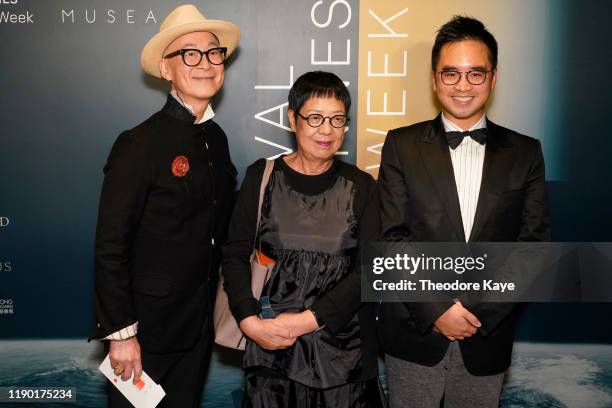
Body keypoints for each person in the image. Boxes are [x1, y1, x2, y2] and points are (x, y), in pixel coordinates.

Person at [378, 16, 550, 407]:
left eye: (475, 74)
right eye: (451, 73)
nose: (462, 85)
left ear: (493, 77)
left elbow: (532, 246)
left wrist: (479, 313)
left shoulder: (526, 152)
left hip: (486, 337)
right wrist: (437, 309)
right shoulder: (401, 145)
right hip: (413, 333)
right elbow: (392, 238)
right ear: (435, 79)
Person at [90, 4, 240, 407]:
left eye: (213, 52)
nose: (205, 63)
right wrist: (121, 335)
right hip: (144, 335)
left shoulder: (217, 139)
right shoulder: (139, 143)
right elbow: (110, 246)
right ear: (166, 68)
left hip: (197, 328)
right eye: (190, 53)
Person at [222, 71, 385, 408]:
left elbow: (370, 271)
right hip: (271, 356)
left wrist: (306, 321)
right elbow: (235, 254)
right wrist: (249, 322)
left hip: (344, 363)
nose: (327, 130)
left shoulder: (363, 187)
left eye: (337, 119)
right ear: (292, 119)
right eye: (315, 118)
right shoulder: (262, 177)